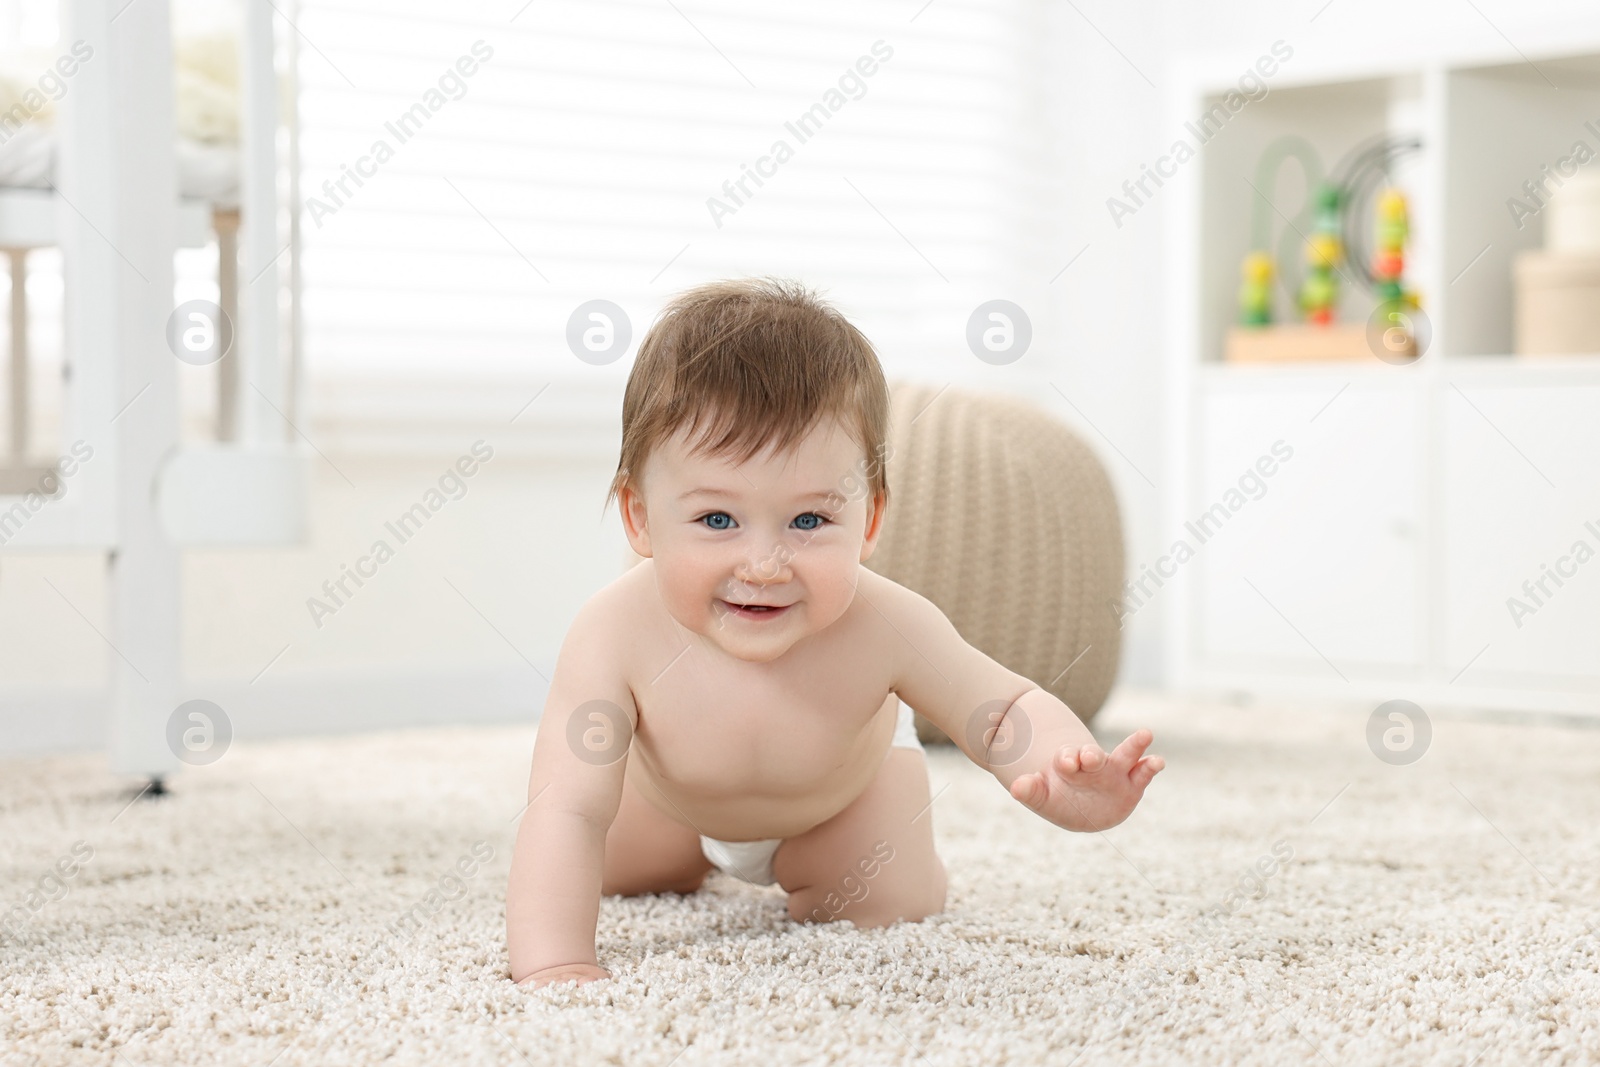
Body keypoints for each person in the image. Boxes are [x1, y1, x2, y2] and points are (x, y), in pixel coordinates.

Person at [506, 278, 1164, 988]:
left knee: (890, 899)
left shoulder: (888, 622)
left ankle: (857, 865)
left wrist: (1064, 761)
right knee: (598, 867)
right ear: (639, 517)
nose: (763, 563)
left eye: (810, 521)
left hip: (841, 802)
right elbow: (567, 806)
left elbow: (999, 706)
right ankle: (680, 851)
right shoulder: (613, 632)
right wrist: (557, 960)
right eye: (717, 520)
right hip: (667, 800)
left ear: (870, 522)